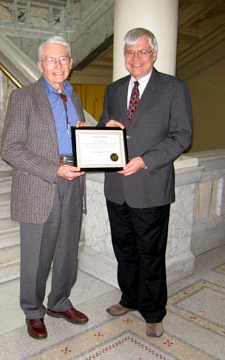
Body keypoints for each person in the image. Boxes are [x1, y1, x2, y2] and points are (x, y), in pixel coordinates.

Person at [98, 28, 192, 337]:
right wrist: (99, 129)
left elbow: (182, 136)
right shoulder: (113, 89)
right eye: (129, 52)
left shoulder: (173, 88)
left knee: (151, 252)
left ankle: (153, 311)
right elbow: (105, 128)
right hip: (116, 187)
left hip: (151, 185)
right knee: (124, 249)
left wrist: (145, 159)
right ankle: (130, 298)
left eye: (141, 52)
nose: (135, 58)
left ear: (153, 54)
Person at [1, 35, 89, 340]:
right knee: (36, 256)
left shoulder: (74, 97)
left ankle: (60, 302)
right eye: (51, 59)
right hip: (40, 185)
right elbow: (10, 149)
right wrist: (54, 169)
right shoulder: (23, 97)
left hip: (73, 182)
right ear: (40, 64)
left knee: (67, 251)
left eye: (63, 59)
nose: (58, 65)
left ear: (71, 64)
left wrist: (85, 140)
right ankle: (33, 310)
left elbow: (67, 137)